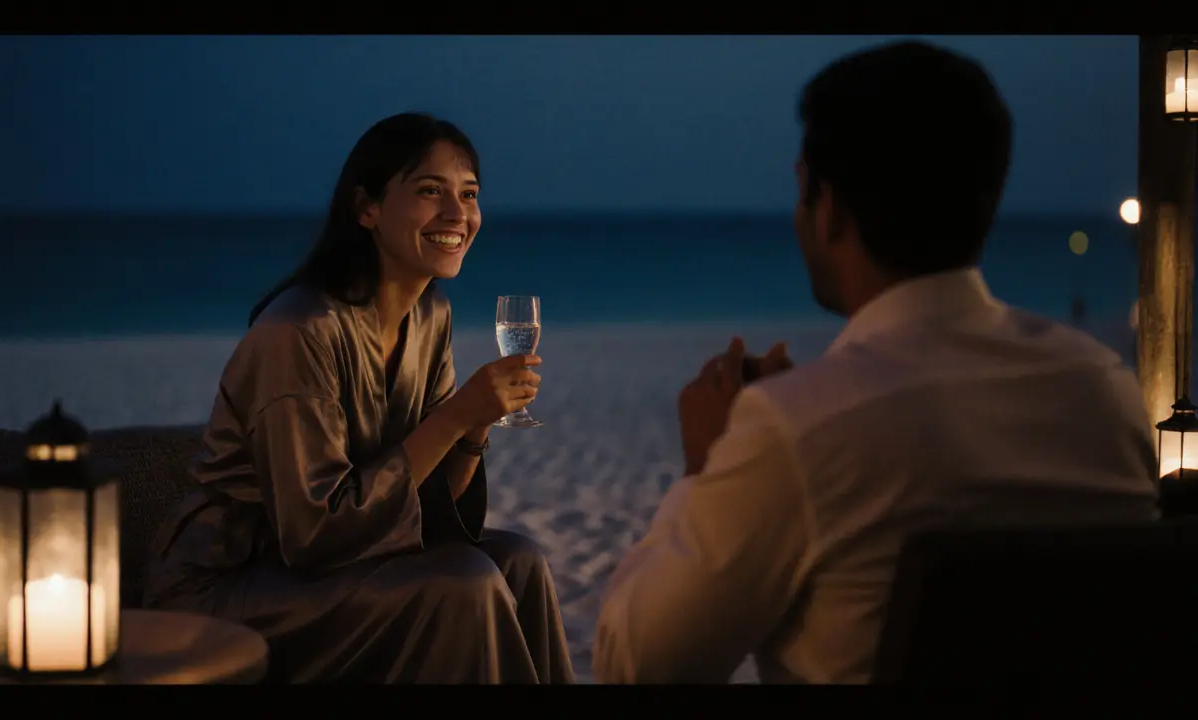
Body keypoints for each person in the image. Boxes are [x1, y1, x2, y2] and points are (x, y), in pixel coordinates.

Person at [592, 41, 1159, 684]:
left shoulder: (798, 430)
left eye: (802, 189)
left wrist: (706, 469)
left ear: (829, 208)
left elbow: (635, 666)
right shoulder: (1107, 392)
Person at [144, 112, 575, 684]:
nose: (458, 214)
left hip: (344, 565)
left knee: (519, 560)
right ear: (367, 208)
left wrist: (473, 427)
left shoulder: (431, 315)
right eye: (430, 191)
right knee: (464, 584)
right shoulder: (299, 332)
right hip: (236, 585)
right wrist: (455, 416)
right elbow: (312, 536)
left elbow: (435, 509)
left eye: (469, 194)